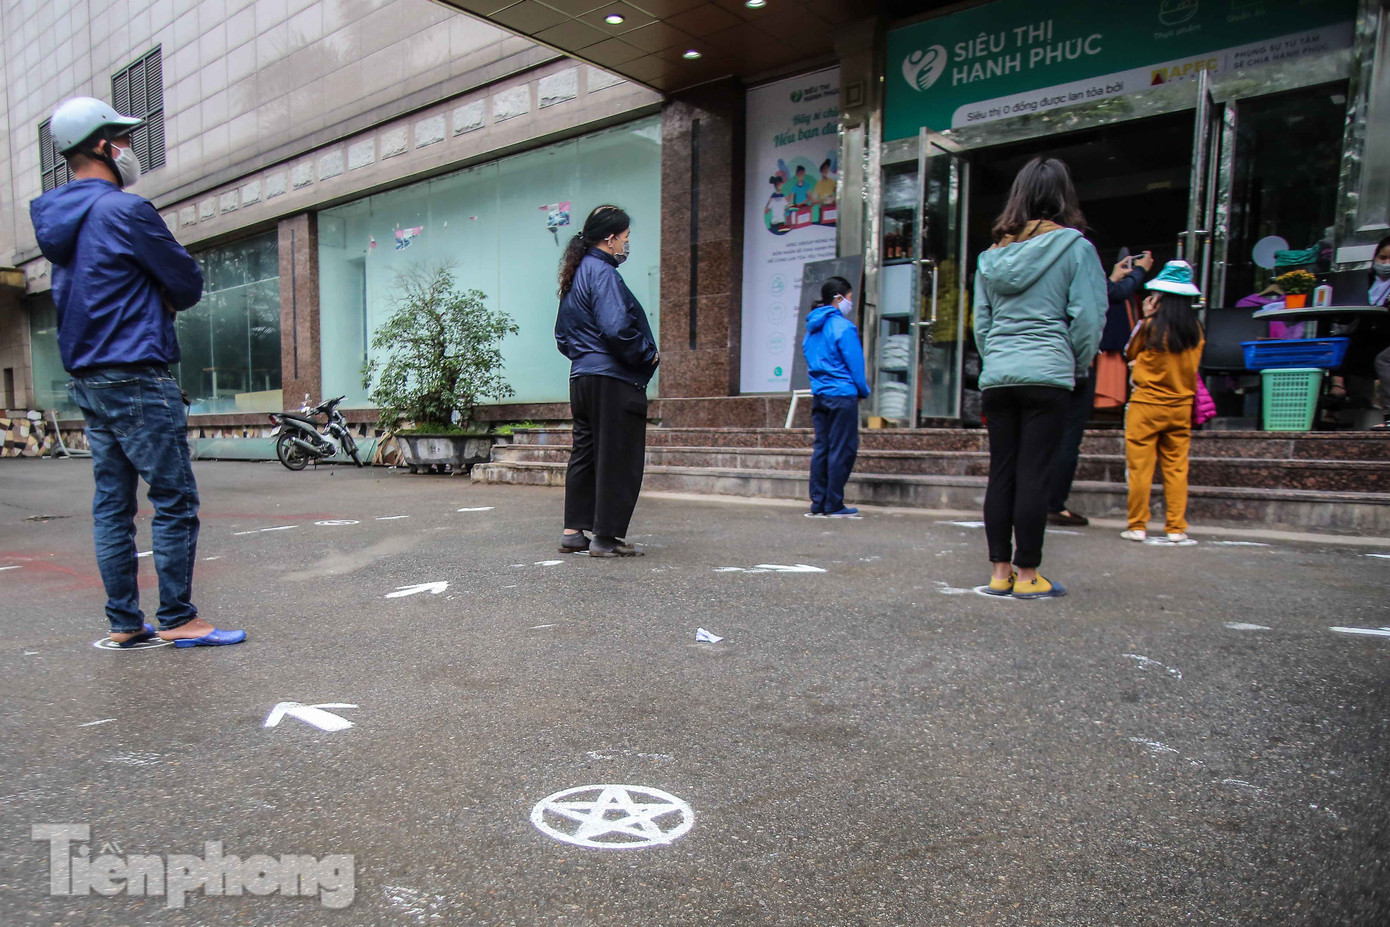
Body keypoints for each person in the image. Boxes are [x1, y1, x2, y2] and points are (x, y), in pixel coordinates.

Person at [29, 97, 245, 648]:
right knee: (174, 498)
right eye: (122, 140)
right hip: (135, 370)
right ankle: (177, 618)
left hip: (89, 377)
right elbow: (186, 282)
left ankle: (125, 621)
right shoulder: (125, 211)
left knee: (113, 504)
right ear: (103, 146)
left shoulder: (59, 224)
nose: (130, 149)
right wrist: (160, 295)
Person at [973, 157, 1105, 599]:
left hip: (999, 375)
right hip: (1047, 372)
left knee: (1002, 472)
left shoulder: (991, 257)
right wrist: (1076, 363)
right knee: (1035, 473)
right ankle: (1029, 575)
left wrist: (998, 359)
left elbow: (981, 323)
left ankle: (999, 572)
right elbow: (1088, 318)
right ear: (1063, 197)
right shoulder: (1076, 248)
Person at [554, 205, 659, 558]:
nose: (626, 245)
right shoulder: (603, 273)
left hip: (582, 378)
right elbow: (617, 328)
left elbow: (562, 336)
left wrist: (586, 357)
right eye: (625, 238)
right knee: (617, 457)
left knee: (584, 454)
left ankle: (573, 532)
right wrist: (647, 355)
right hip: (612, 380)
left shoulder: (575, 274)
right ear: (610, 238)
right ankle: (605, 537)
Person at [1048, 248, 1153, 526]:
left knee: (1034, 434)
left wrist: (1112, 279)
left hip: (1029, 362)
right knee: (1067, 436)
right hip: (1070, 362)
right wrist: (1139, 271)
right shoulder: (1078, 257)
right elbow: (1094, 312)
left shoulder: (1028, 265)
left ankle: (1024, 502)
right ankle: (1053, 504)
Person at [1120, 261, 1206, 544]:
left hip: (1146, 405)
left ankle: (1137, 526)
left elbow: (1129, 351)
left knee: (1140, 469)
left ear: (1161, 296)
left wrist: (1145, 318)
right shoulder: (1196, 330)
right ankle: (1176, 528)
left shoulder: (1151, 327)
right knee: (1177, 469)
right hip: (1180, 407)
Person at [801, 276, 869, 518]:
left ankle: (818, 503)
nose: (850, 302)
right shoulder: (843, 327)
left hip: (820, 394)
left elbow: (810, 358)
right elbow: (855, 365)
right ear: (838, 298)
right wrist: (862, 390)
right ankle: (834, 504)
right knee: (842, 449)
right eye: (849, 297)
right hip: (842, 395)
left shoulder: (812, 329)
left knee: (822, 447)